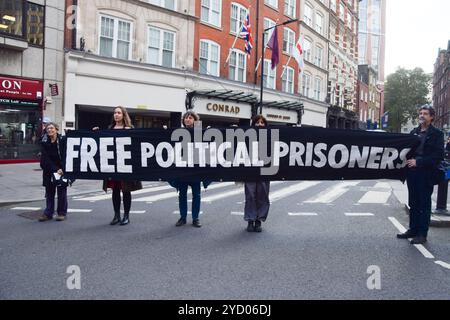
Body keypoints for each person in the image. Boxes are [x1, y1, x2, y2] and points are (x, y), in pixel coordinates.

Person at [397, 104, 444, 244]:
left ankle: (422, 234)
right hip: (412, 174)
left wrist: (419, 162)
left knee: (424, 204)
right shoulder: (414, 132)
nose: (421, 115)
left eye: (425, 113)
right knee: (413, 202)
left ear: (432, 117)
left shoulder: (437, 134)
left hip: (426, 173)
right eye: (420, 113)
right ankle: (413, 229)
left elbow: (438, 156)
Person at [95, 106, 142, 226]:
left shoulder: (130, 129)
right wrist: (96, 133)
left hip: (125, 165)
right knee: (115, 190)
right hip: (112, 165)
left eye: (119, 113)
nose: (116, 115)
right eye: (115, 113)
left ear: (123, 115)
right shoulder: (110, 128)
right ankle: (116, 215)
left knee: (126, 190)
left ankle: (126, 215)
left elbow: (136, 145)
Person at [174, 111, 203, 228]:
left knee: (197, 194)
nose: (187, 119)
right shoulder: (179, 132)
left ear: (195, 120)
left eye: (190, 117)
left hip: (195, 169)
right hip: (183, 169)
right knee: (182, 194)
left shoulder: (200, 131)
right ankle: (183, 217)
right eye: (186, 117)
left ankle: (195, 218)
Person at [244, 115, 271, 232]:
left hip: (265, 170)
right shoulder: (246, 136)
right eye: (257, 122)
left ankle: (258, 220)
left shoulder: (271, 137)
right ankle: (250, 220)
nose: (260, 124)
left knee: (262, 195)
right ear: (253, 124)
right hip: (250, 170)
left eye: (262, 122)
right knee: (250, 195)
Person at [38, 122, 68, 222]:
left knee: (61, 192)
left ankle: (61, 213)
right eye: (48, 129)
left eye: (52, 128)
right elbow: (45, 159)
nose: (49, 130)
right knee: (49, 192)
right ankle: (48, 213)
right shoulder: (44, 141)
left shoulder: (62, 140)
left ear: (56, 129)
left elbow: (66, 155)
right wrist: (55, 169)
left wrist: (63, 169)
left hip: (61, 170)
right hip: (49, 170)